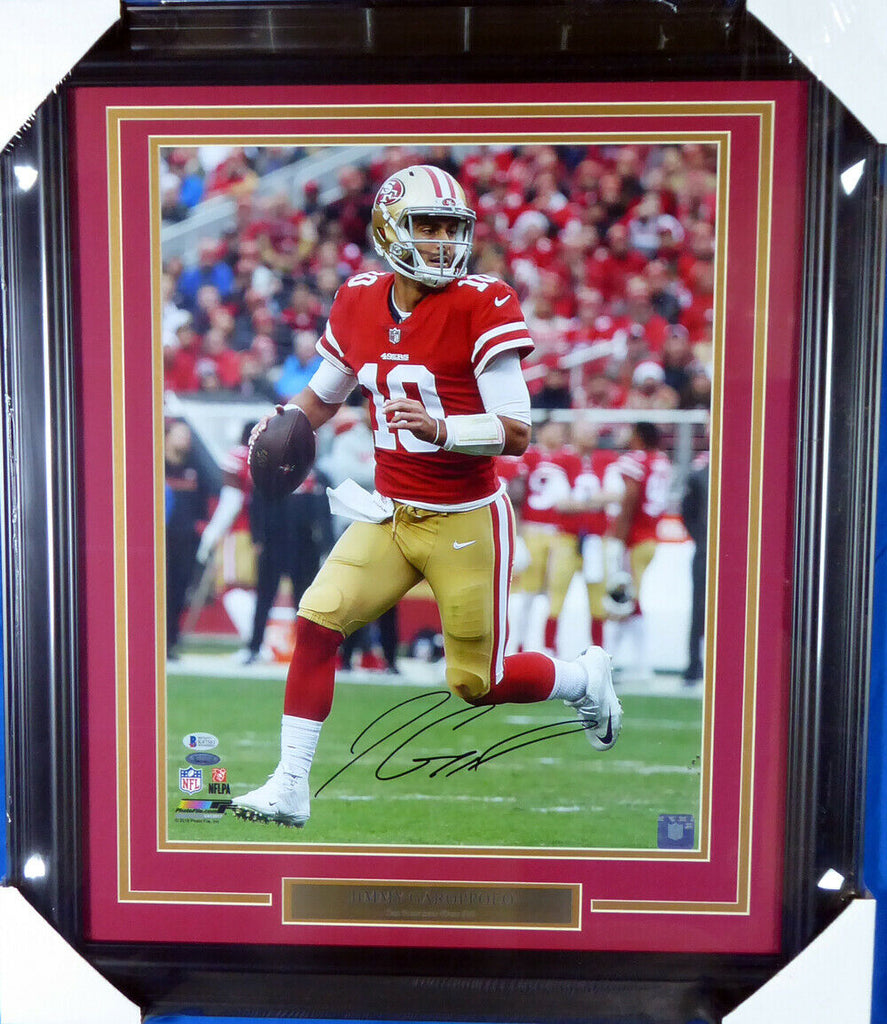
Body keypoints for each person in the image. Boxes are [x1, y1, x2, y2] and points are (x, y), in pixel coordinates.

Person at [231, 165, 623, 829]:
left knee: (477, 683)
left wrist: (440, 429)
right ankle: (290, 785)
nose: (443, 241)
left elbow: (517, 431)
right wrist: (282, 418)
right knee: (316, 623)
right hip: (389, 513)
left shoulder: (482, 301)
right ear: (389, 230)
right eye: (427, 226)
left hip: (465, 520)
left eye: (451, 227)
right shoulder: (358, 298)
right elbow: (322, 398)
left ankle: (583, 677)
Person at [602, 421, 672, 679]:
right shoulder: (661, 461)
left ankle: (635, 662)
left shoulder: (635, 461)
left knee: (626, 599)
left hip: (636, 537)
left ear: (639, 437)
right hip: (652, 536)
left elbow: (630, 498)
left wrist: (618, 537)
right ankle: (626, 660)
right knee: (629, 598)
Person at [164, 419, 217, 659]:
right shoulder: (157, 468)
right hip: (161, 542)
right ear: (167, 438)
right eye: (180, 435)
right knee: (160, 592)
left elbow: (204, 503)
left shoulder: (195, 469)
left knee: (179, 591)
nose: (185, 439)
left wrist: (201, 527)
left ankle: (171, 642)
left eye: (187, 435)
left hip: (186, 542)